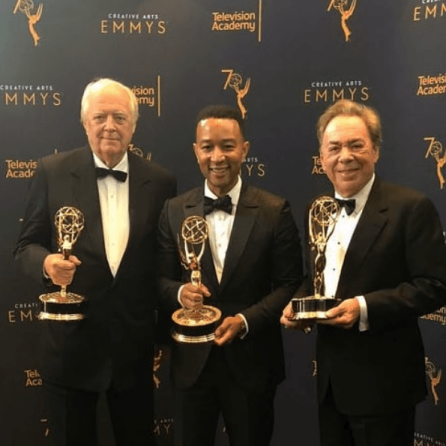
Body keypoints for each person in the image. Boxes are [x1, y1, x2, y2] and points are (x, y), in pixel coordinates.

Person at [14, 78, 176, 446]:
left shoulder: (161, 181)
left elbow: (164, 264)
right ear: (84, 122)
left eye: (119, 117)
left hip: (134, 352)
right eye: (100, 117)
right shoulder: (52, 171)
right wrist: (47, 264)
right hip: (69, 348)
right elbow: (24, 247)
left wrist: (164, 335)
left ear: (133, 125)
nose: (109, 126)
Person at [281, 99, 446, 446]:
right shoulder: (317, 209)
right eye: (334, 148)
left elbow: (434, 285)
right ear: (321, 157)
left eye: (356, 145)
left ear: (375, 151)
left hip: (385, 386)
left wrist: (363, 307)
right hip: (331, 384)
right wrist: (298, 304)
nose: (345, 157)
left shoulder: (410, 207)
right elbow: (318, 278)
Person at [157, 105, 303, 446]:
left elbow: (290, 284)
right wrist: (179, 293)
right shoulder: (173, 210)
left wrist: (246, 320)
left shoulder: (274, 210)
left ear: (244, 149)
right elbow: (158, 280)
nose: (217, 157)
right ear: (196, 151)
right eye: (207, 147)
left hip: (252, 363)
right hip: (191, 366)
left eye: (227, 146)